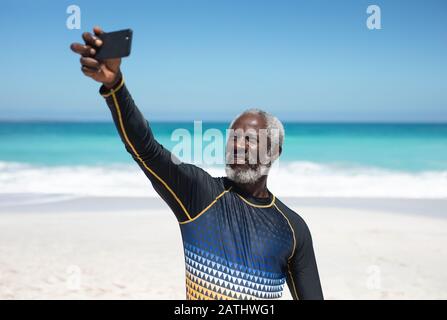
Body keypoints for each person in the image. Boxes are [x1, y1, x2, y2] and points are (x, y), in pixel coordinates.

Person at [70, 26, 323, 300]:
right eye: (233, 138)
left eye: (249, 139)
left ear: (274, 151)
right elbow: (146, 149)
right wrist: (114, 85)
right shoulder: (200, 194)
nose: (237, 145)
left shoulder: (293, 229)